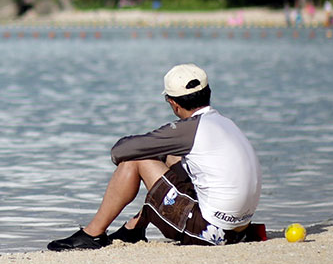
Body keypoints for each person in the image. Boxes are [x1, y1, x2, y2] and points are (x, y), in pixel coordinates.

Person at [47, 64, 260, 251]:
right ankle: (133, 227)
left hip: (211, 233)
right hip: (240, 229)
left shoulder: (188, 129)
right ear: (207, 92)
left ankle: (93, 233)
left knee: (135, 160)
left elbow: (120, 151)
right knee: (174, 158)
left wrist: (151, 154)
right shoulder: (225, 123)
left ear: (173, 103)